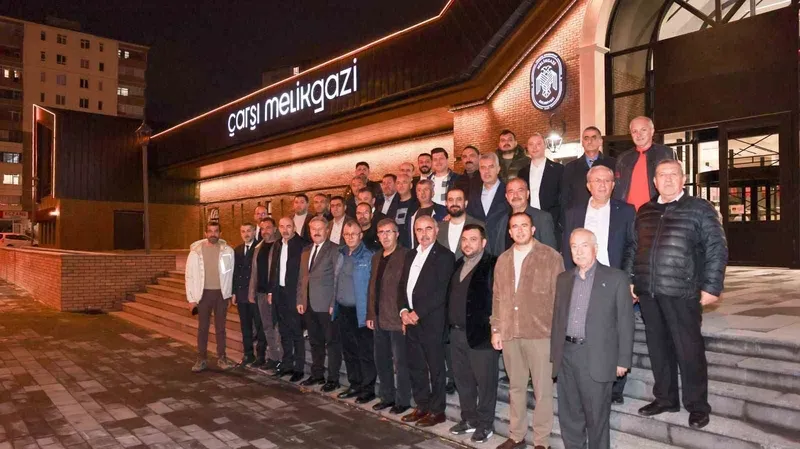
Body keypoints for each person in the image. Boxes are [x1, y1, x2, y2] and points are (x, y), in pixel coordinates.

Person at [626, 160, 728, 429]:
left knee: (689, 350)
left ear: (683, 179)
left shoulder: (700, 208)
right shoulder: (645, 211)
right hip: (649, 292)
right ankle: (665, 399)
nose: (668, 179)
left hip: (683, 292)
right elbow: (633, 248)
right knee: (658, 349)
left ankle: (697, 406)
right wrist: (631, 279)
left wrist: (712, 286)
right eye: (662, 175)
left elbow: (717, 247)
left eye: (674, 174)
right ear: (655, 181)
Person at [551, 228, 634, 449]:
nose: (578, 251)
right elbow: (557, 319)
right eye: (574, 247)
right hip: (566, 356)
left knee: (597, 418)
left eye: (584, 245)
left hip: (596, 356)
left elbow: (626, 322)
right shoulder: (563, 279)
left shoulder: (616, 278)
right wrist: (555, 355)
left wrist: (623, 360)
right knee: (570, 416)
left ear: (595, 248)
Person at [562, 165, 636, 403]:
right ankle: (587, 376)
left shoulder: (626, 211)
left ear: (613, 185)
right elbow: (566, 248)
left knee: (615, 329)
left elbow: (632, 246)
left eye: (607, 180)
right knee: (587, 328)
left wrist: (628, 278)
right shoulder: (573, 212)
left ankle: (616, 388)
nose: (602, 185)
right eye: (596, 180)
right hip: (582, 278)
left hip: (613, 280)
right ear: (588, 185)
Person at [491, 212, 563, 449]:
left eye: (524, 225)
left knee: (543, 391)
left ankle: (541, 441)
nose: (520, 230)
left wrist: (557, 335)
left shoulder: (551, 257)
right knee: (516, 387)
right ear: (510, 232)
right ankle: (516, 435)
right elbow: (497, 297)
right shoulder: (502, 260)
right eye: (515, 226)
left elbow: (560, 299)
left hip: (541, 334)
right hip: (510, 333)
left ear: (533, 229)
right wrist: (496, 329)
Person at [399, 215, 455, 428]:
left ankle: (437, 411)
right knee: (416, 366)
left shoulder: (445, 256)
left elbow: (441, 291)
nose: (423, 234)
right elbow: (402, 285)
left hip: (432, 322)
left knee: (436, 369)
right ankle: (421, 405)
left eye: (428, 229)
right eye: (419, 230)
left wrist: (418, 312)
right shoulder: (410, 255)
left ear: (437, 230)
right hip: (411, 321)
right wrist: (403, 311)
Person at [447, 224, 499, 444]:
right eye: (464, 239)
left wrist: (496, 329)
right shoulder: (458, 264)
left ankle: (485, 424)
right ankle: (469, 419)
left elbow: (499, 300)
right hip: (457, 334)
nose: (467, 244)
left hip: (482, 336)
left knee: (485, 384)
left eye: (473, 239)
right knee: (463, 380)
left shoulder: (493, 264)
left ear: (483, 242)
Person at [366, 218, 412, 415]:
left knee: (401, 363)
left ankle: (403, 400)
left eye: (389, 232)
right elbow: (372, 287)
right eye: (381, 232)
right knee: (381, 360)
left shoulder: (406, 255)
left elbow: (408, 287)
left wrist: (406, 315)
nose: (385, 236)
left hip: (397, 318)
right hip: (378, 318)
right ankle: (387, 397)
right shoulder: (376, 257)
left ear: (397, 234)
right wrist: (370, 313)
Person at [296, 216, 342, 390]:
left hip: (326, 305)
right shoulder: (306, 250)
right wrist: (300, 299)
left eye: (320, 229)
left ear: (327, 230)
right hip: (309, 304)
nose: (316, 232)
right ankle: (317, 375)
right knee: (315, 342)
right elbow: (302, 278)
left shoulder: (334, 249)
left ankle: (333, 379)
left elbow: (337, 279)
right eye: (313, 229)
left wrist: (333, 303)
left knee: (332, 343)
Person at [333, 221, 376, 404]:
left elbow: (373, 288)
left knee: (365, 352)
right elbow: (336, 280)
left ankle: (368, 389)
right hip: (343, 310)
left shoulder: (368, 256)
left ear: (361, 235)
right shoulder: (341, 253)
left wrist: (371, 313)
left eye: (354, 234)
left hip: (360, 312)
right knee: (349, 350)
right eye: (347, 234)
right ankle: (355, 384)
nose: (350, 237)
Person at [185, 222, 236, 372]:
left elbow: (231, 274)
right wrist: (191, 299)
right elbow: (189, 276)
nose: (213, 234)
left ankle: (222, 358)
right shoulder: (195, 252)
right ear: (205, 233)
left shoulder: (228, 251)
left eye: (216, 231)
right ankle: (201, 359)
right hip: (203, 295)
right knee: (203, 328)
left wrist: (229, 294)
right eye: (210, 231)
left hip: (221, 295)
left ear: (220, 233)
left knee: (221, 328)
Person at [268, 217, 308, 382]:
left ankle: (299, 368)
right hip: (279, 293)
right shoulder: (277, 244)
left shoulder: (302, 245)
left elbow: (304, 275)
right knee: (284, 332)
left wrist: (301, 298)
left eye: (289, 226)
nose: (285, 230)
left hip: (294, 294)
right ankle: (287, 365)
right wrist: (271, 291)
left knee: (297, 332)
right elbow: (273, 269)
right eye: (282, 226)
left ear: (294, 227)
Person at [613, 116, 676, 211]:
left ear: (652, 131)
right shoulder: (623, 158)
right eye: (634, 131)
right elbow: (618, 189)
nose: (639, 135)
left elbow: (675, 184)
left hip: (656, 212)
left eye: (643, 130)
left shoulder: (666, 153)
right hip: (628, 213)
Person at [249, 218, 282, 370]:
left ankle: (281, 358)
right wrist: (252, 291)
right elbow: (254, 272)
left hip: (275, 293)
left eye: (268, 228)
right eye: (262, 228)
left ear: (275, 229)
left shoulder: (279, 246)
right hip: (261, 293)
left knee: (277, 327)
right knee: (267, 327)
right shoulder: (258, 247)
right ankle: (274, 358)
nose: (265, 231)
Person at [491, 178, 558, 253]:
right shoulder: (502, 221)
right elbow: (498, 252)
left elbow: (551, 253)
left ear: (527, 194)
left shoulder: (542, 218)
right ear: (506, 196)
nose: (515, 195)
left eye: (520, 191)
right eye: (511, 192)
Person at [232, 223, 266, 367]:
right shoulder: (238, 249)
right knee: (245, 326)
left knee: (259, 325)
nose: (246, 234)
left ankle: (261, 356)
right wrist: (234, 292)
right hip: (241, 294)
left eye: (249, 231)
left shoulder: (260, 247)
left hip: (255, 294)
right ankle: (248, 354)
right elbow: (235, 273)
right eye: (243, 231)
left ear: (254, 232)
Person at [561, 126, 616, 213]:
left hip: (606, 213)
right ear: (582, 143)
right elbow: (565, 197)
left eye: (593, 138)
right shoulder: (570, 167)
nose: (589, 141)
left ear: (600, 141)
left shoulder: (613, 164)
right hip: (579, 215)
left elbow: (617, 192)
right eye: (586, 138)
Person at [517, 133, 563, 232]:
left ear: (545, 146)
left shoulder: (558, 169)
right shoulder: (522, 172)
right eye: (531, 144)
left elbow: (563, 197)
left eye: (538, 144)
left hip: (552, 221)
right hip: (527, 220)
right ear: (527, 148)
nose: (534, 147)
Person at [465, 153, 509, 255]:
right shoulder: (473, 194)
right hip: (478, 251)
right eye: (483, 167)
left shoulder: (508, 192)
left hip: (502, 248)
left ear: (498, 169)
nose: (487, 171)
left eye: (491, 167)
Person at [437, 188, 484, 260]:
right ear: (446, 203)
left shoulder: (479, 226)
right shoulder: (438, 228)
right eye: (450, 200)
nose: (454, 203)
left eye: (459, 199)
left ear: (466, 203)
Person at [408, 179, 447, 248]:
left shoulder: (443, 211)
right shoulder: (411, 214)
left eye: (426, 189)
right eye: (419, 190)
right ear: (416, 194)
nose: (422, 193)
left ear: (432, 193)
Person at [394, 174, 419, 248]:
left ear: (411, 185)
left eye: (404, 182)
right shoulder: (393, 206)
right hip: (397, 247)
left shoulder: (417, 205)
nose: (401, 185)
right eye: (398, 183)